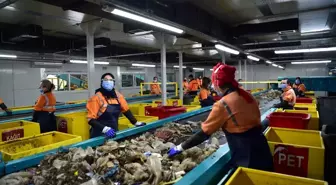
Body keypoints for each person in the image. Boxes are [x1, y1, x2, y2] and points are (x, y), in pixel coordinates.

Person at [168, 63, 273, 172]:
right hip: (262, 149)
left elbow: (204, 134)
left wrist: (180, 147)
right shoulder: (247, 95)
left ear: (217, 83)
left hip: (246, 155)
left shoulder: (223, 104)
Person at [87, 73, 146, 138]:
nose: (108, 82)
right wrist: (105, 129)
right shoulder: (96, 98)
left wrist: (135, 122)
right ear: (102, 82)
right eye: (106, 80)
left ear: (114, 82)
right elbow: (90, 119)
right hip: (98, 134)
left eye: (111, 80)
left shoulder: (118, 96)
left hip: (114, 132)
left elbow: (126, 110)